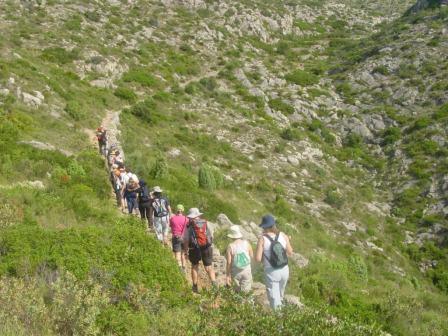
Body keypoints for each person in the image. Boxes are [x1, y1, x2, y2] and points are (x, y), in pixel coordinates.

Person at [255, 214, 293, 310]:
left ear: (264, 226)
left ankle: (279, 323)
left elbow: (258, 259)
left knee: (274, 300)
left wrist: (266, 258)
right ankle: (285, 317)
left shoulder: (262, 239)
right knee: (280, 297)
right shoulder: (283, 235)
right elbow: (290, 252)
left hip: (271, 272)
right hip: (284, 270)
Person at [183, 208, 216, 293]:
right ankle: (214, 285)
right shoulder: (206, 222)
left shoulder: (189, 226)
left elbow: (186, 240)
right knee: (209, 267)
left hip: (194, 248)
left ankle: (195, 287)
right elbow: (211, 235)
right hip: (206, 247)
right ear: (198, 215)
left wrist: (186, 251)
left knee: (195, 266)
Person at [226, 225, 253, 293]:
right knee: (246, 293)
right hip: (247, 270)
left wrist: (228, 275)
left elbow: (229, 262)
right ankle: (247, 303)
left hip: (236, 272)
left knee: (236, 292)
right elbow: (251, 256)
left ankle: (238, 303)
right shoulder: (247, 243)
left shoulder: (230, 246)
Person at [169, 204, 189, 272]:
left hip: (176, 237)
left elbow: (171, 226)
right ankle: (184, 267)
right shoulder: (187, 219)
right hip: (184, 238)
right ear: (182, 210)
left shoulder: (172, 218)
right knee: (183, 253)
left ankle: (179, 268)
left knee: (177, 253)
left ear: (176, 210)